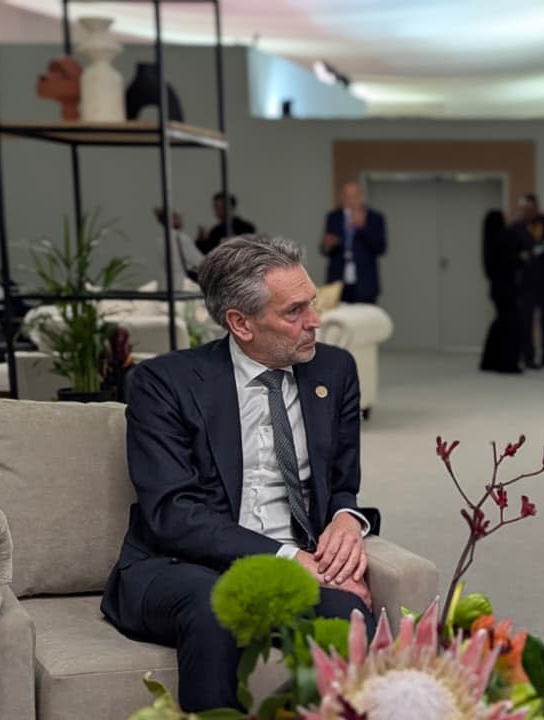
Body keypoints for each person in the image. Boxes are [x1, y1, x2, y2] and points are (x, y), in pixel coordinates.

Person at [101, 235, 376, 712]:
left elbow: (342, 482)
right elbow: (172, 513)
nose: (315, 321)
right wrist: (290, 559)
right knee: (215, 607)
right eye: (294, 312)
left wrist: (348, 519)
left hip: (294, 560)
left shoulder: (335, 370)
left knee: (350, 613)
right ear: (240, 323)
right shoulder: (164, 384)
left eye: (311, 303)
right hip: (179, 565)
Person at [512, 193, 544, 369]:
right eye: (525, 209)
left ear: (537, 207)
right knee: (526, 320)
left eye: (531, 209)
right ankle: (528, 357)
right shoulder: (516, 227)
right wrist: (520, 257)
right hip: (526, 280)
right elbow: (513, 252)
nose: (528, 212)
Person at [321, 181, 387, 304]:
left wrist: (362, 228)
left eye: (354, 196)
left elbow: (380, 248)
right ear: (341, 197)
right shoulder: (334, 217)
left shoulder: (374, 218)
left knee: (365, 320)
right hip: (338, 279)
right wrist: (327, 244)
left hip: (365, 281)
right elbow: (325, 250)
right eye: (347, 196)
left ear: (361, 196)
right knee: (338, 319)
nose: (350, 200)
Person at [480, 209, 523, 374]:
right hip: (507, 288)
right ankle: (507, 363)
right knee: (510, 325)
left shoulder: (490, 239)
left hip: (497, 289)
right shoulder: (503, 238)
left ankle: (489, 360)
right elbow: (514, 247)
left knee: (501, 323)